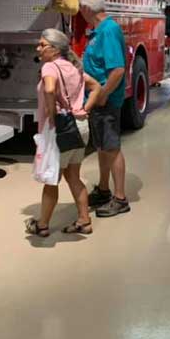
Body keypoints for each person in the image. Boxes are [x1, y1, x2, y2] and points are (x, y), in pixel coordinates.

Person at [25, 29, 103, 237]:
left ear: (55, 49)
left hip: (61, 130)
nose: (38, 49)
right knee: (73, 176)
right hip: (80, 126)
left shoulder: (50, 67)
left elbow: (50, 89)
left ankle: (42, 225)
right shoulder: (74, 67)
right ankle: (84, 220)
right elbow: (96, 87)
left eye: (42, 45)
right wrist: (85, 109)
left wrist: (52, 114)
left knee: (52, 180)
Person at [79, 0, 131, 217]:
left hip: (105, 101)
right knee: (102, 147)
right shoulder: (99, 31)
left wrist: (104, 93)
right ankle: (103, 189)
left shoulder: (108, 31)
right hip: (98, 100)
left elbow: (118, 69)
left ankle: (120, 198)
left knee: (111, 147)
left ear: (86, 8)